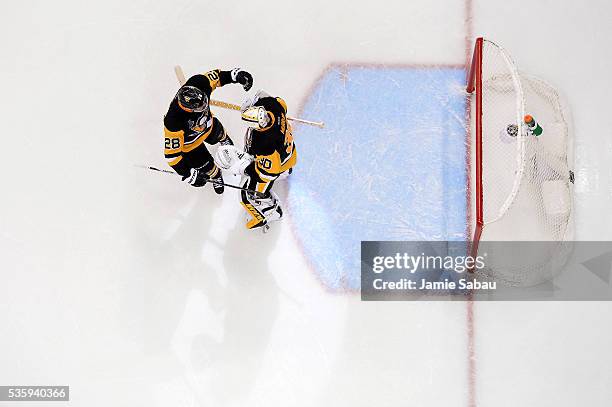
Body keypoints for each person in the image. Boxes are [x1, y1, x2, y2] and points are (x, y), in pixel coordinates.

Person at [216, 90, 297, 230]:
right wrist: (254, 104)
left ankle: (271, 212)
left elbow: (268, 173)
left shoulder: (264, 145)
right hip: (289, 154)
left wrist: (242, 167)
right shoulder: (273, 107)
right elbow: (280, 102)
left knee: (248, 192)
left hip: (280, 167)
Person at [163, 68, 253, 193]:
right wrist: (189, 175)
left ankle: (224, 139)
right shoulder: (173, 121)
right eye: (200, 107)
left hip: (209, 126)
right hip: (190, 145)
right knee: (208, 167)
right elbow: (172, 157)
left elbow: (217, 76)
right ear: (189, 109)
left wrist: (235, 75)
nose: (204, 106)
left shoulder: (198, 82)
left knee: (219, 132)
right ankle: (216, 176)